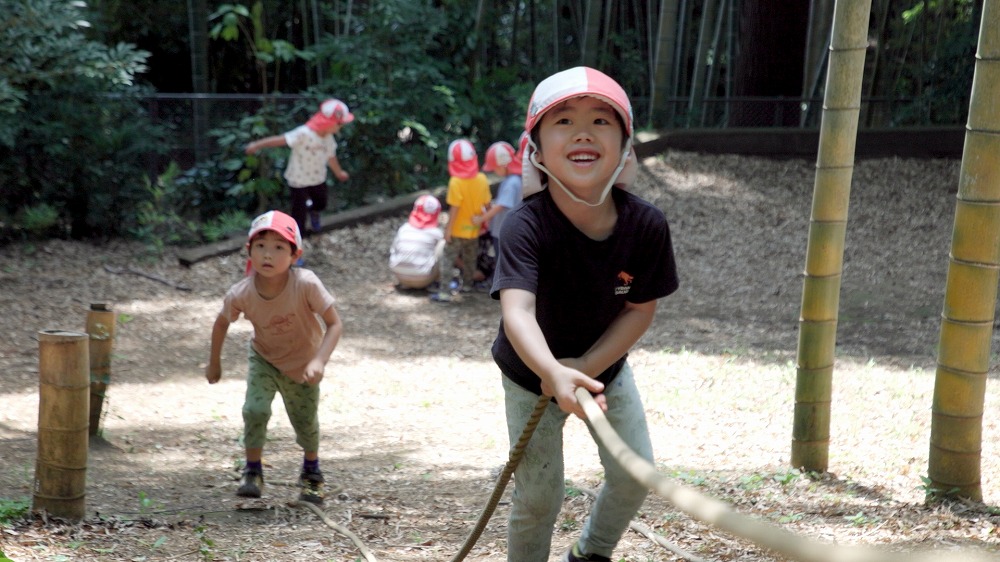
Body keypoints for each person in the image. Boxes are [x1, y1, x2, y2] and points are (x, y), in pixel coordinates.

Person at [489, 67, 679, 562]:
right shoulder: (523, 227)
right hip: (531, 375)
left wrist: (584, 371)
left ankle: (590, 554)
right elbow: (518, 312)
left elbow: (639, 310)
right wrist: (553, 373)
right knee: (538, 498)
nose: (582, 132)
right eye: (563, 122)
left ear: (624, 146)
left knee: (635, 470)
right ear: (536, 149)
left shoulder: (646, 226)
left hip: (602, 370)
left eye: (601, 121)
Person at [205, 210, 344, 506]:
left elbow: (335, 323)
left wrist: (319, 360)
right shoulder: (241, 292)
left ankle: (311, 472)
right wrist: (214, 361)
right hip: (264, 358)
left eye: (279, 247)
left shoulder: (306, 284)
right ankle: (252, 471)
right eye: (261, 246)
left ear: (295, 255)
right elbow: (221, 323)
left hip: (303, 363)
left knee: (305, 423)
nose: (268, 254)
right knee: (254, 410)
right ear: (249, 251)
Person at [244, 98, 354, 238]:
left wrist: (339, 172)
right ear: (329, 123)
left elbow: (331, 157)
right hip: (298, 180)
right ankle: (296, 243)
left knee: (321, 202)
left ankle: (314, 212)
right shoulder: (303, 133)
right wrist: (257, 145)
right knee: (299, 214)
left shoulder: (328, 139)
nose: (340, 127)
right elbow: (280, 140)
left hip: (318, 178)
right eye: (340, 124)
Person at [430, 138, 492, 303]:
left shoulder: (456, 182)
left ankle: (444, 292)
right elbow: (487, 204)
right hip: (474, 229)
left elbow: (455, 208)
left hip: (457, 230)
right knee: (470, 259)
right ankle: (467, 285)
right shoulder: (482, 179)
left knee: (447, 259)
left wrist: (448, 230)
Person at [474, 136, 525, 258]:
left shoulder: (512, 182)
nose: (495, 172)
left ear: (503, 165)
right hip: (505, 231)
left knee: (502, 260)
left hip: (504, 232)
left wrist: (482, 218)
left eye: (495, 168)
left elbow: (502, 205)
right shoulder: (512, 180)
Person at [389, 194, 445, 290]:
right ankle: (438, 281)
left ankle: (407, 277)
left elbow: (393, 249)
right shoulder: (436, 233)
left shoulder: (404, 228)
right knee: (443, 244)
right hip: (424, 279)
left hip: (399, 276)